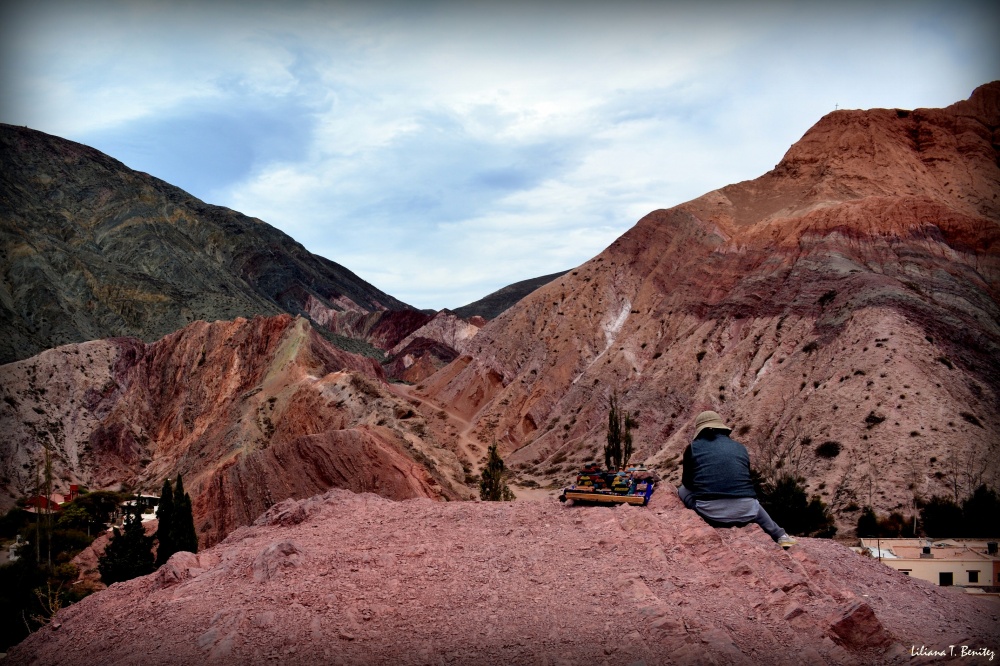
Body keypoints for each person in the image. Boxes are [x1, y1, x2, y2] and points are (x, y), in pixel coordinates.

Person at [677, 411, 797, 548]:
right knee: (752, 503)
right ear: (721, 428)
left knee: (682, 490)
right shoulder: (740, 448)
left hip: (710, 513)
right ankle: (781, 535)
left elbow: (687, 482)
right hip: (746, 511)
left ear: (700, 431)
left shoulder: (693, 448)